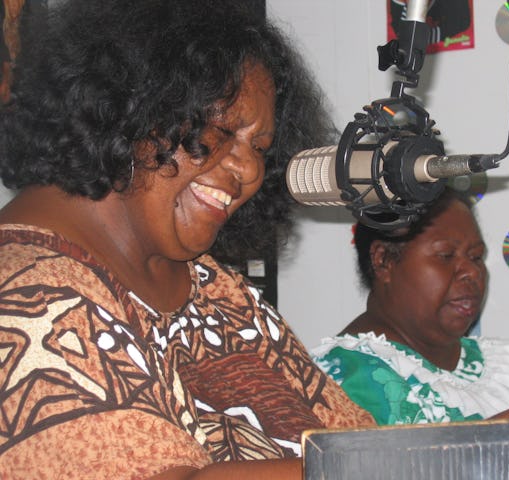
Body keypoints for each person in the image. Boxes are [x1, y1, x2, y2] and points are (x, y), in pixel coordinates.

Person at [0, 1, 375, 478]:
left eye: (260, 148)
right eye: (222, 129)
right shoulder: (24, 299)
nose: (249, 170)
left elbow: (352, 445)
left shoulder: (216, 290)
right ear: (126, 104)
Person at [313, 187, 509, 425]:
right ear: (384, 261)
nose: (471, 272)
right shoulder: (334, 379)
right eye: (446, 256)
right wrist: (503, 433)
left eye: (476, 257)